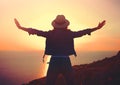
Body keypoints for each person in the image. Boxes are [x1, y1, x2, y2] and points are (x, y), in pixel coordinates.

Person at [14, 15, 106, 85]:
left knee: (50, 83)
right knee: (71, 82)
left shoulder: (50, 34)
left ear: (55, 25)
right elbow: (83, 32)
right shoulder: (69, 34)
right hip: (66, 61)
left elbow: (36, 31)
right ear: (65, 25)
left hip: (54, 61)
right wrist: (97, 28)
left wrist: (21, 27)